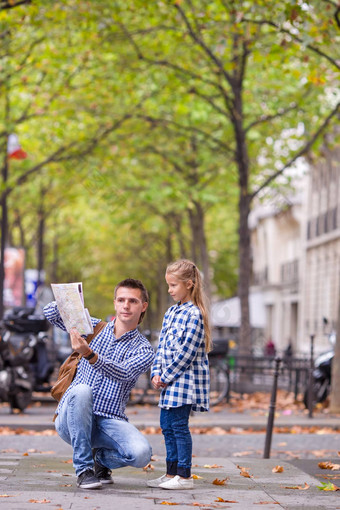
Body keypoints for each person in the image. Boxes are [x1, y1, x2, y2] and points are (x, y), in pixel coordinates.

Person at [43, 278, 155, 490]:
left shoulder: (144, 350)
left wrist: (89, 354)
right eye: (121, 300)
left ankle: (101, 460)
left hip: (108, 422)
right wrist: (71, 302)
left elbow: (121, 373)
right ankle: (84, 471)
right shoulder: (92, 327)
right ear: (114, 303)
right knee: (83, 390)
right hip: (71, 419)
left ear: (143, 306)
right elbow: (50, 312)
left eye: (132, 301)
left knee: (141, 454)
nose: (126, 306)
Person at [147, 259, 212, 490]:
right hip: (168, 381)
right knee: (166, 424)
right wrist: (155, 373)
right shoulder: (171, 313)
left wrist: (166, 375)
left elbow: (187, 353)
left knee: (179, 426)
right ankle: (171, 472)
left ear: (189, 284)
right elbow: (161, 346)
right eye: (168, 285)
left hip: (183, 382)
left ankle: (184, 476)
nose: (170, 290)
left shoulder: (194, 315)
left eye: (173, 285)